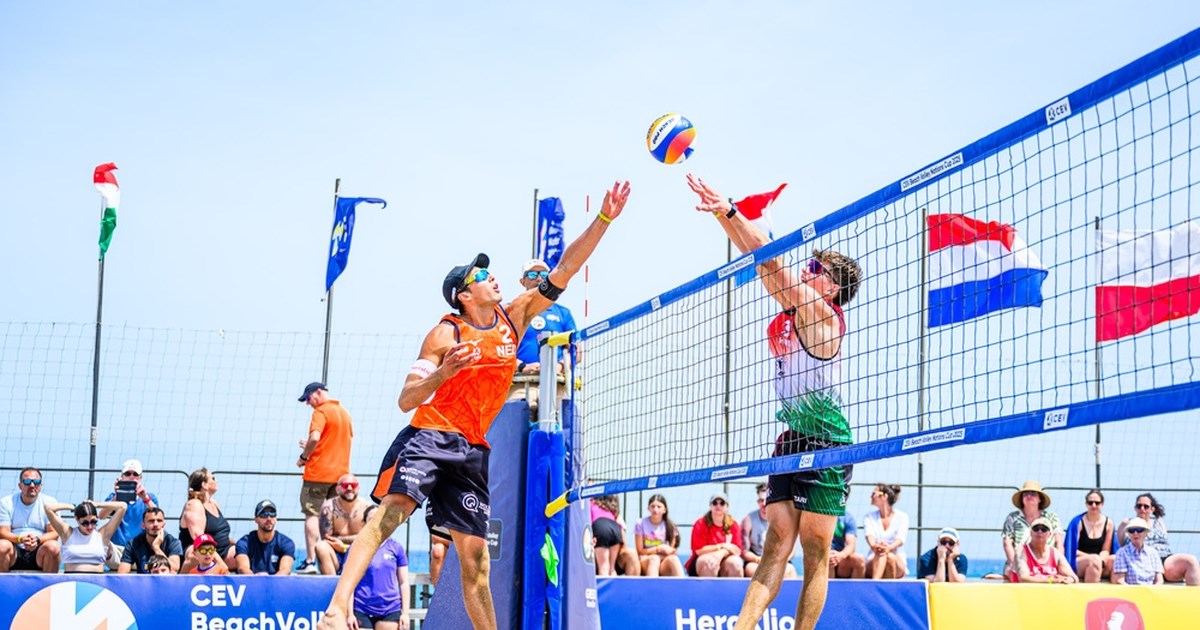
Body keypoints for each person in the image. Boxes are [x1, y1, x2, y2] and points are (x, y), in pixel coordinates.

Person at [316, 180, 631, 630]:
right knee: (392, 513)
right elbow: (406, 399)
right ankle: (338, 606)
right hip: (430, 434)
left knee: (476, 562)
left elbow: (565, 267)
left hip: (471, 449)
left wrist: (604, 219)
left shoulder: (515, 317)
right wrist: (444, 374)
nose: (491, 276)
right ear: (464, 295)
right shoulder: (446, 335)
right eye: (481, 276)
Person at [687, 175, 862, 630]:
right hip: (790, 439)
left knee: (815, 553)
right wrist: (724, 215)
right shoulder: (793, 309)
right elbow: (764, 261)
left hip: (827, 442)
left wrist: (730, 212)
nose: (808, 269)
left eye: (816, 269)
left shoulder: (824, 315)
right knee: (775, 544)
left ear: (832, 289)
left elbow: (774, 265)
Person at [297, 381, 355, 574]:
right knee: (333, 516)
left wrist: (304, 456)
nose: (308, 403)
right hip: (340, 474)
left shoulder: (320, 412)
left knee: (312, 514)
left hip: (317, 473)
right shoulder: (345, 414)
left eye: (308, 398)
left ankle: (311, 560)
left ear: (318, 392)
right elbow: (332, 442)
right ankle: (334, 556)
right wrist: (314, 447)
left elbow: (315, 438)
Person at [509, 258, 578, 411]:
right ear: (522, 281)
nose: (539, 278)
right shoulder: (511, 311)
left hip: (555, 384)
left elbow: (577, 350)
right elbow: (499, 350)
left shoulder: (563, 313)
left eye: (544, 274)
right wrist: (522, 366)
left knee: (560, 429)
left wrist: (559, 366)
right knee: (518, 427)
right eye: (532, 274)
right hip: (521, 383)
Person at [1117, 492, 1200, 585]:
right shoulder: (1127, 523)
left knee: (1191, 561)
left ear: (1152, 509)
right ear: (1135, 508)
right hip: (1138, 560)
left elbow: (1165, 541)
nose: (1142, 509)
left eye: (1146, 506)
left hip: (1164, 559)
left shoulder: (1159, 522)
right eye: (1139, 506)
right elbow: (1121, 544)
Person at [352, 512, 411, 630]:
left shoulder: (396, 548)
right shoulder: (357, 547)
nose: (376, 523)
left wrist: (405, 613)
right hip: (361, 609)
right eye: (371, 519)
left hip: (390, 609)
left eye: (379, 519)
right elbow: (349, 584)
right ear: (364, 523)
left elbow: (404, 582)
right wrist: (349, 614)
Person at [100, 458, 158, 570]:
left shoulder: (149, 497)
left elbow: (158, 517)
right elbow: (101, 515)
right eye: (128, 474)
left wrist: (145, 498)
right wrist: (117, 496)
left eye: (135, 474)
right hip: (117, 551)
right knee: (101, 541)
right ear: (122, 477)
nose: (132, 477)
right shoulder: (113, 497)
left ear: (140, 478)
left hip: (140, 550)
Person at [0, 467, 61, 573]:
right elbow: (3, 532)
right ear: (20, 485)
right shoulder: (6, 502)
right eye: (27, 482)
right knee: (2, 546)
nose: (32, 485)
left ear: (41, 485)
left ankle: (48, 588)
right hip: (14, 549)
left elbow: (55, 533)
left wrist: (37, 540)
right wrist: (21, 539)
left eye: (36, 482)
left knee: (53, 547)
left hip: (39, 550)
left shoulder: (50, 502)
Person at [1002, 480, 1062, 581]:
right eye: (1025, 494)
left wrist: (1058, 564)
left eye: (1033, 494)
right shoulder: (1012, 517)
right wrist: (1016, 565)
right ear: (1022, 499)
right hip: (1019, 561)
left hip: (1047, 563)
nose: (1029, 496)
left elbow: (1059, 542)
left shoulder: (1051, 517)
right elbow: (1007, 543)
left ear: (1040, 499)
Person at [44, 499, 126, 573]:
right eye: (85, 523)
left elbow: (122, 506)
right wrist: (73, 506)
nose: (90, 527)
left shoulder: (102, 535)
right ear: (76, 519)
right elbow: (48, 508)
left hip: (97, 583)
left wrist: (96, 505)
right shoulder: (67, 533)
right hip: (71, 582)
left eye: (93, 522)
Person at [316, 474, 373, 575]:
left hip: (359, 554)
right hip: (336, 555)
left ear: (358, 488)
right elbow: (327, 539)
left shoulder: (368, 509)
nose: (349, 488)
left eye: (353, 485)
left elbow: (370, 538)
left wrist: (342, 543)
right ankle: (331, 586)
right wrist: (356, 538)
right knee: (321, 546)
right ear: (337, 489)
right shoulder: (329, 507)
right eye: (345, 485)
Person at [179, 467, 237, 567]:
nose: (216, 481)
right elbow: (199, 539)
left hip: (223, 551)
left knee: (247, 551)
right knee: (199, 555)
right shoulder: (194, 505)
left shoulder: (214, 504)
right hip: (202, 551)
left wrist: (240, 544)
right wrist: (222, 566)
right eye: (213, 478)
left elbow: (219, 533)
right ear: (204, 485)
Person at [742, 483, 796, 578]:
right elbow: (744, 550)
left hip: (780, 560)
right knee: (752, 570)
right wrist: (758, 559)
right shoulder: (748, 520)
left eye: (767, 500)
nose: (764, 504)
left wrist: (778, 560)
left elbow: (792, 549)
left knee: (789, 570)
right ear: (757, 502)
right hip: (757, 560)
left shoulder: (785, 519)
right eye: (761, 500)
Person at [1065, 489, 1118, 583]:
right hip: (1080, 562)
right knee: (1093, 561)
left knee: (1115, 559)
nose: (1093, 505)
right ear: (1086, 504)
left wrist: (1101, 560)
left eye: (1097, 503)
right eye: (1090, 502)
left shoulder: (1109, 523)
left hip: (1101, 561)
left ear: (1102, 504)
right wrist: (1094, 558)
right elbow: (1072, 550)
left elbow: (1106, 550)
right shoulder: (1077, 522)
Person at [687, 493, 744, 577]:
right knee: (709, 562)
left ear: (727, 506)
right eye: (715, 503)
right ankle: (708, 590)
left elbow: (737, 550)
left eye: (722, 503)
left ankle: (734, 590)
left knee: (735, 563)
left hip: (725, 559)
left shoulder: (733, 524)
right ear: (710, 506)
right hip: (702, 560)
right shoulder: (700, 523)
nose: (718, 505)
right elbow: (699, 550)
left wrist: (722, 553)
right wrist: (722, 546)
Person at [235, 500, 296, 575]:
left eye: (272, 514)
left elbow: (285, 570)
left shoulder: (286, 543)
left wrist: (269, 583)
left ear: (276, 518)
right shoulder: (245, 543)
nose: (269, 518)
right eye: (264, 514)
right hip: (252, 584)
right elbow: (243, 568)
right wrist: (258, 580)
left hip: (276, 584)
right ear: (256, 519)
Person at [118, 506, 184, 574]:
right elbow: (122, 573)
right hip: (144, 583)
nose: (155, 524)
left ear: (164, 525)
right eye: (151, 521)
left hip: (166, 583)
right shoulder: (133, 543)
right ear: (143, 525)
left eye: (159, 521)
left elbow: (173, 571)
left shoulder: (173, 542)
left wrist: (156, 547)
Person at [862, 483, 908, 579]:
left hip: (897, 559)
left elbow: (900, 539)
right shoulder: (869, 517)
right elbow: (869, 535)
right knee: (884, 555)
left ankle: (875, 585)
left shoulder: (902, 517)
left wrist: (888, 548)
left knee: (889, 556)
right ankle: (886, 591)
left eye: (874, 493)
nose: (871, 496)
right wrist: (875, 546)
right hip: (874, 557)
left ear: (884, 496)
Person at [1015, 516, 1078, 584]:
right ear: (1030, 533)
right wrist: (1051, 580)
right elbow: (1023, 578)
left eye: (1044, 529)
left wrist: (1070, 579)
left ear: (1049, 534)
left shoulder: (1055, 553)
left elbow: (1074, 577)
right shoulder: (1022, 550)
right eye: (1036, 528)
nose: (1039, 531)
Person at [634, 493, 684, 577]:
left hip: (662, 562)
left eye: (659, 507)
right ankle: (652, 589)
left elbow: (672, 553)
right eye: (652, 506)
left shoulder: (670, 526)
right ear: (648, 508)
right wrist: (659, 548)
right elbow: (640, 551)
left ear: (664, 510)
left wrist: (663, 553)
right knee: (654, 559)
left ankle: (683, 588)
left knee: (674, 560)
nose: (655, 509)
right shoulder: (641, 523)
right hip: (646, 560)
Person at [1111, 517, 1164, 585]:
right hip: (1130, 593)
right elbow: (1120, 580)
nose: (1135, 533)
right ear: (1128, 534)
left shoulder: (1153, 553)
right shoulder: (1122, 553)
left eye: (1139, 530)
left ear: (1146, 533)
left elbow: (1159, 580)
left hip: (1151, 593)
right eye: (1131, 530)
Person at [828, 513, 865, 579]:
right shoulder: (819, 516)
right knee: (827, 559)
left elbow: (850, 545)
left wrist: (840, 555)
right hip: (824, 556)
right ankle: (828, 588)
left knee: (859, 560)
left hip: (841, 560)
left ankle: (855, 589)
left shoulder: (848, 518)